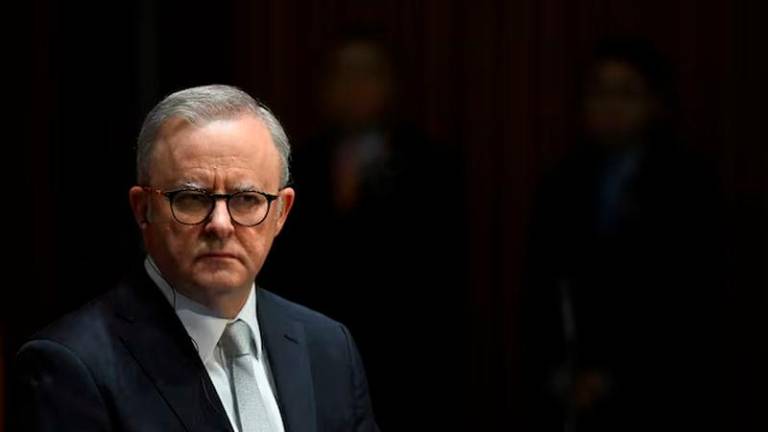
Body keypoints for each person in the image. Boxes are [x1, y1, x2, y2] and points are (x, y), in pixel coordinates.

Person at [13, 84, 380, 432]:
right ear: (143, 209)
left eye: (247, 199)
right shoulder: (71, 365)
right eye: (191, 199)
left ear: (281, 212)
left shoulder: (328, 347)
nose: (220, 225)